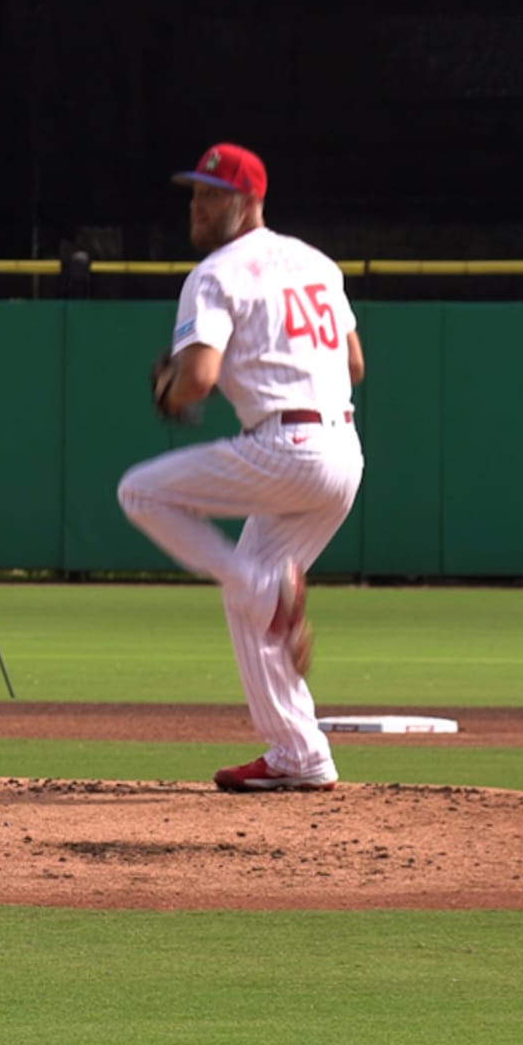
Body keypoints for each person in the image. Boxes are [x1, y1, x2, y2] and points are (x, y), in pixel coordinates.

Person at [117, 142, 366, 793]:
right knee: (249, 599)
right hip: (343, 453)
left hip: (286, 449)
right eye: (195, 192)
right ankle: (299, 752)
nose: (197, 205)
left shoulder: (215, 273)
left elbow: (196, 380)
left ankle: (259, 585)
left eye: (210, 194)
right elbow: (356, 366)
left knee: (141, 492)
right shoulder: (317, 263)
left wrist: (170, 386)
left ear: (247, 200)